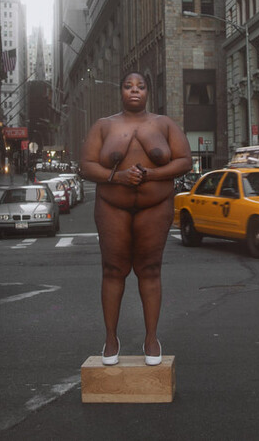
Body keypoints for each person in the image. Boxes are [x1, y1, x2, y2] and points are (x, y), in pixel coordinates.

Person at [79, 71, 193, 366]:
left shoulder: (164, 124)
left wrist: (152, 174)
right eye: (128, 86)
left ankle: (151, 338)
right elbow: (87, 166)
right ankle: (110, 339)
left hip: (155, 205)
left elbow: (185, 161)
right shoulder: (104, 125)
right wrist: (117, 177)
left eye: (140, 86)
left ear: (148, 93)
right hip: (112, 206)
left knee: (150, 269)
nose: (134, 90)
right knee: (113, 270)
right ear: (120, 91)